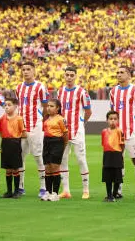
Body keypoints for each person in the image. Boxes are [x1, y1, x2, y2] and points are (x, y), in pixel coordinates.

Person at [108, 65, 135, 200]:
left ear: (129, 75)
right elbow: (113, 112)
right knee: (119, 161)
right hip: (117, 133)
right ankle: (118, 189)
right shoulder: (113, 91)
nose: (119, 74)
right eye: (117, 72)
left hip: (132, 132)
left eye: (122, 72)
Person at [57, 66, 92, 199]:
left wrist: (81, 124)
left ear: (75, 76)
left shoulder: (82, 92)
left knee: (81, 159)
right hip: (63, 132)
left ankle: (86, 190)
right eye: (67, 75)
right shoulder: (60, 92)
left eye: (72, 75)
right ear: (64, 76)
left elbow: (88, 111)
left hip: (77, 131)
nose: (69, 77)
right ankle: (66, 190)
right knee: (63, 160)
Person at [15, 61, 49, 197]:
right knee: (20, 157)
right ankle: (20, 186)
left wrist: (41, 120)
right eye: (23, 69)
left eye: (28, 69)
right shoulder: (18, 87)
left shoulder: (40, 87)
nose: (25, 72)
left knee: (38, 156)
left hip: (35, 126)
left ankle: (43, 187)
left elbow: (46, 106)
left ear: (34, 71)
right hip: (22, 127)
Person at [0, 98, 26, 199]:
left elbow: (23, 133)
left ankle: (17, 191)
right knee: (7, 169)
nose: (7, 107)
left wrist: (15, 139)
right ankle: (9, 191)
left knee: (15, 168)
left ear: (15, 106)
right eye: (5, 105)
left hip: (15, 143)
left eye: (9, 105)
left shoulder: (19, 119)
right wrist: (5, 139)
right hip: (5, 143)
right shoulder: (2, 118)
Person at [41, 99, 68, 202]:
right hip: (47, 142)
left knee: (55, 167)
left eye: (52, 106)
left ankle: (55, 193)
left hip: (57, 142)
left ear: (58, 108)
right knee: (47, 167)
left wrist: (62, 146)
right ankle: (48, 192)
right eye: (48, 106)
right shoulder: (46, 119)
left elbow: (65, 134)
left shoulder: (61, 119)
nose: (48, 108)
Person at [102, 111, 124, 203]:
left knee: (117, 176)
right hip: (107, 155)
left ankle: (114, 194)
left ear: (118, 120)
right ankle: (109, 195)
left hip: (117, 155)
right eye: (111, 119)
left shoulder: (120, 131)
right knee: (108, 176)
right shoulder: (104, 132)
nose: (113, 121)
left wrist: (120, 154)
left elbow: (122, 144)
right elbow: (103, 144)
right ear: (107, 120)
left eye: (115, 119)